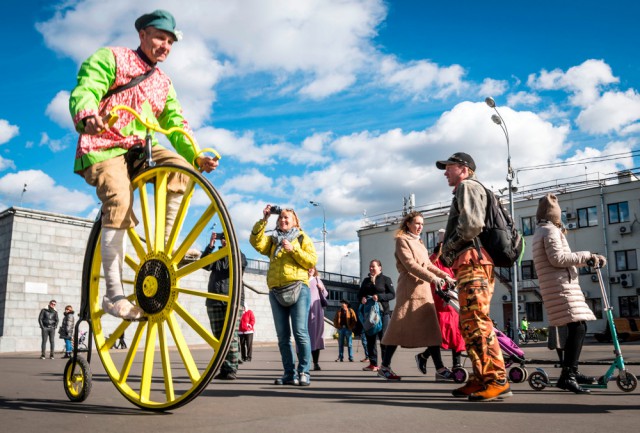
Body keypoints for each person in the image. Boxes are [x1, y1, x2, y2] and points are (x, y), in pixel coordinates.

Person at [69, 9, 219, 320]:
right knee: (120, 200)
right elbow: (87, 87)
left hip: (140, 150)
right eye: (160, 38)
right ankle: (112, 295)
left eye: (170, 42)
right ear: (143, 35)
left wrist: (196, 155)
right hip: (105, 146)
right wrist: (87, 113)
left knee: (182, 170)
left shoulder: (164, 83)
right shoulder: (112, 57)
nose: (165, 45)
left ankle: (163, 250)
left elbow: (176, 122)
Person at [436, 152, 511, 401]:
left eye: (449, 167)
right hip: (471, 263)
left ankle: (496, 378)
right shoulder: (469, 188)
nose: (445, 172)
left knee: (476, 321)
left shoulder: (467, 186)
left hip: (473, 262)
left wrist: (448, 249)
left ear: (464, 169)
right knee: (468, 323)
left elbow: (471, 226)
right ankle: (480, 378)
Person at [532, 193, 604, 394]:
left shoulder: (542, 230)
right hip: (561, 286)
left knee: (577, 327)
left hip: (559, 285)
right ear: (555, 215)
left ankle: (571, 371)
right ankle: (568, 375)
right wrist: (588, 256)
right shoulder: (550, 231)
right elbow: (558, 259)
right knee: (578, 327)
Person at [379, 211, 456, 381]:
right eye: (417, 223)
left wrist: (445, 276)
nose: (420, 227)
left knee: (432, 330)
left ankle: (440, 368)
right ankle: (384, 366)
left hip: (424, 291)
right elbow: (410, 265)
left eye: (422, 224)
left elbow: (428, 264)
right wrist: (433, 278)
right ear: (408, 224)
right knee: (397, 329)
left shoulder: (419, 242)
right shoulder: (402, 240)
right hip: (409, 290)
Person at [250, 205, 317, 386]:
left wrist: (292, 250)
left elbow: (312, 260)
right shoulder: (272, 240)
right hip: (276, 290)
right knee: (282, 337)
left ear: (295, 221)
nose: (283, 220)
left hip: (298, 288)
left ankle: (304, 372)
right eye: (280, 218)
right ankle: (289, 374)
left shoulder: (302, 238)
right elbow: (256, 243)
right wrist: (264, 220)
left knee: (300, 333)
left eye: (287, 218)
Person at [415, 237, 465, 376]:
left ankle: (456, 366)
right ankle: (437, 365)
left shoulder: (454, 263)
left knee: (457, 336)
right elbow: (425, 266)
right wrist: (436, 253)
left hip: (455, 304)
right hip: (440, 303)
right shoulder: (435, 261)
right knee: (439, 336)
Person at [202, 232, 247, 380]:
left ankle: (232, 369)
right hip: (214, 299)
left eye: (227, 238)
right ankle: (224, 368)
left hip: (233, 300)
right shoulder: (217, 255)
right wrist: (210, 246)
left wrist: (232, 245)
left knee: (231, 336)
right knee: (218, 337)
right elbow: (204, 264)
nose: (224, 241)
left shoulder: (239, 256)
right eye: (223, 239)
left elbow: (240, 263)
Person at [358, 259, 395, 372]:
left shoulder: (386, 279)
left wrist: (379, 297)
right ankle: (373, 364)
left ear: (380, 268)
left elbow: (392, 294)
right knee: (370, 339)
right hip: (369, 313)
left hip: (383, 313)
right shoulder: (365, 281)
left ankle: (385, 365)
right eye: (370, 266)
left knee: (384, 339)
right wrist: (362, 299)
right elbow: (359, 295)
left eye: (373, 266)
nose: (371, 268)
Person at [308, 267, 328, 370]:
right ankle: (304, 364)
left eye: (312, 268)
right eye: (308, 267)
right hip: (303, 312)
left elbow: (325, 294)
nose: (310, 269)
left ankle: (316, 363)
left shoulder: (316, 279)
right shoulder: (301, 280)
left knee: (315, 337)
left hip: (315, 312)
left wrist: (321, 288)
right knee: (303, 337)